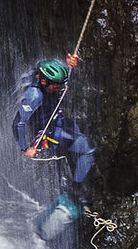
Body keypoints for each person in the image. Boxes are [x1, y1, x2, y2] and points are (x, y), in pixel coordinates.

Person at [12, 55, 95, 239]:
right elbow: (18, 123)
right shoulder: (34, 96)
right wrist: (25, 148)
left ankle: (74, 185)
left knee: (86, 149)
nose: (59, 88)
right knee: (85, 151)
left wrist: (70, 65)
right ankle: (75, 187)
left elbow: (63, 81)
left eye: (60, 84)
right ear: (42, 81)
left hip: (57, 120)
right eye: (55, 85)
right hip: (48, 130)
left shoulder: (46, 81)